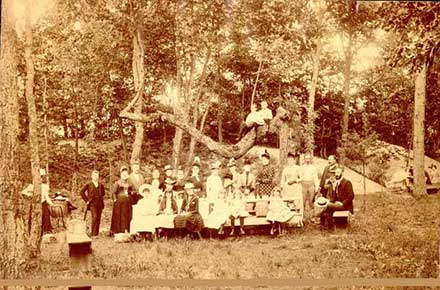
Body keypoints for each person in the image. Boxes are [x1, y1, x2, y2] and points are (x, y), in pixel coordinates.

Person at [22, 169, 54, 234]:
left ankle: (46, 230)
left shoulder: (45, 186)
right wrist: (29, 195)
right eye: (41, 177)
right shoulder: (32, 186)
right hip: (35, 204)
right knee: (34, 217)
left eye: (43, 177)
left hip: (43, 203)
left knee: (46, 216)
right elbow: (24, 192)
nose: (43, 178)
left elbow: (46, 196)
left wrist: (51, 204)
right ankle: (33, 230)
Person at [79, 169, 106, 237]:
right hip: (92, 203)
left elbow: (103, 193)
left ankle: (96, 234)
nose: (96, 177)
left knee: (98, 218)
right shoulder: (89, 184)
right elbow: (81, 192)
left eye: (97, 176)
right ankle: (93, 234)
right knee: (94, 217)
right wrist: (87, 200)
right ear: (92, 176)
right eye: (94, 176)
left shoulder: (100, 185)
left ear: (98, 177)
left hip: (99, 203)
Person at [110, 166, 135, 235]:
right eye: (123, 174)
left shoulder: (130, 183)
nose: (125, 175)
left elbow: (133, 191)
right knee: (120, 216)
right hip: (119, 202)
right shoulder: (117, 183)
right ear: (121, 175)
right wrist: (115, 200)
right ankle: (119, 230)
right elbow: (113, 192)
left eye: (126, 174)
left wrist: (132, 193)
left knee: (127, 215)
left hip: (128, 202)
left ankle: (126, 229)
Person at [299, 153, 319, 222]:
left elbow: (315, 178)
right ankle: (302, 217)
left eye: (309, 158)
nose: (307, 160)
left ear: (310, 159)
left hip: (311, 185)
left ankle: (312, 217)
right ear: (304, 159)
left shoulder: (313, 168)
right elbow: (300, 177)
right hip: (303, 184)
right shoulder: (301, 167)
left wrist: (316, 186)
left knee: (311, 201)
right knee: (302, 201)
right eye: (306, 158)